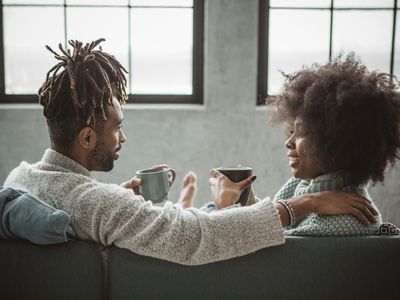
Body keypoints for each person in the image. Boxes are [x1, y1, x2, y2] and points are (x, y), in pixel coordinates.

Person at [3, 39, 377, 265]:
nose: (124, 138)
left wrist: (119, 194)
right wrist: (303, 206)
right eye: (117, 127)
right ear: (86, 139)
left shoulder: (22, 178)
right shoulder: (96, 204)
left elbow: (81, 203)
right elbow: (194, 237)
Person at [264, 54, 400, 236]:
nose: (288, 143)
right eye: (291, 132)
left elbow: (255, 246)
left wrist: (226, 207)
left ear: (335, 144)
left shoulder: (338, 225)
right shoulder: (299, 185)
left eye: (302, 132)